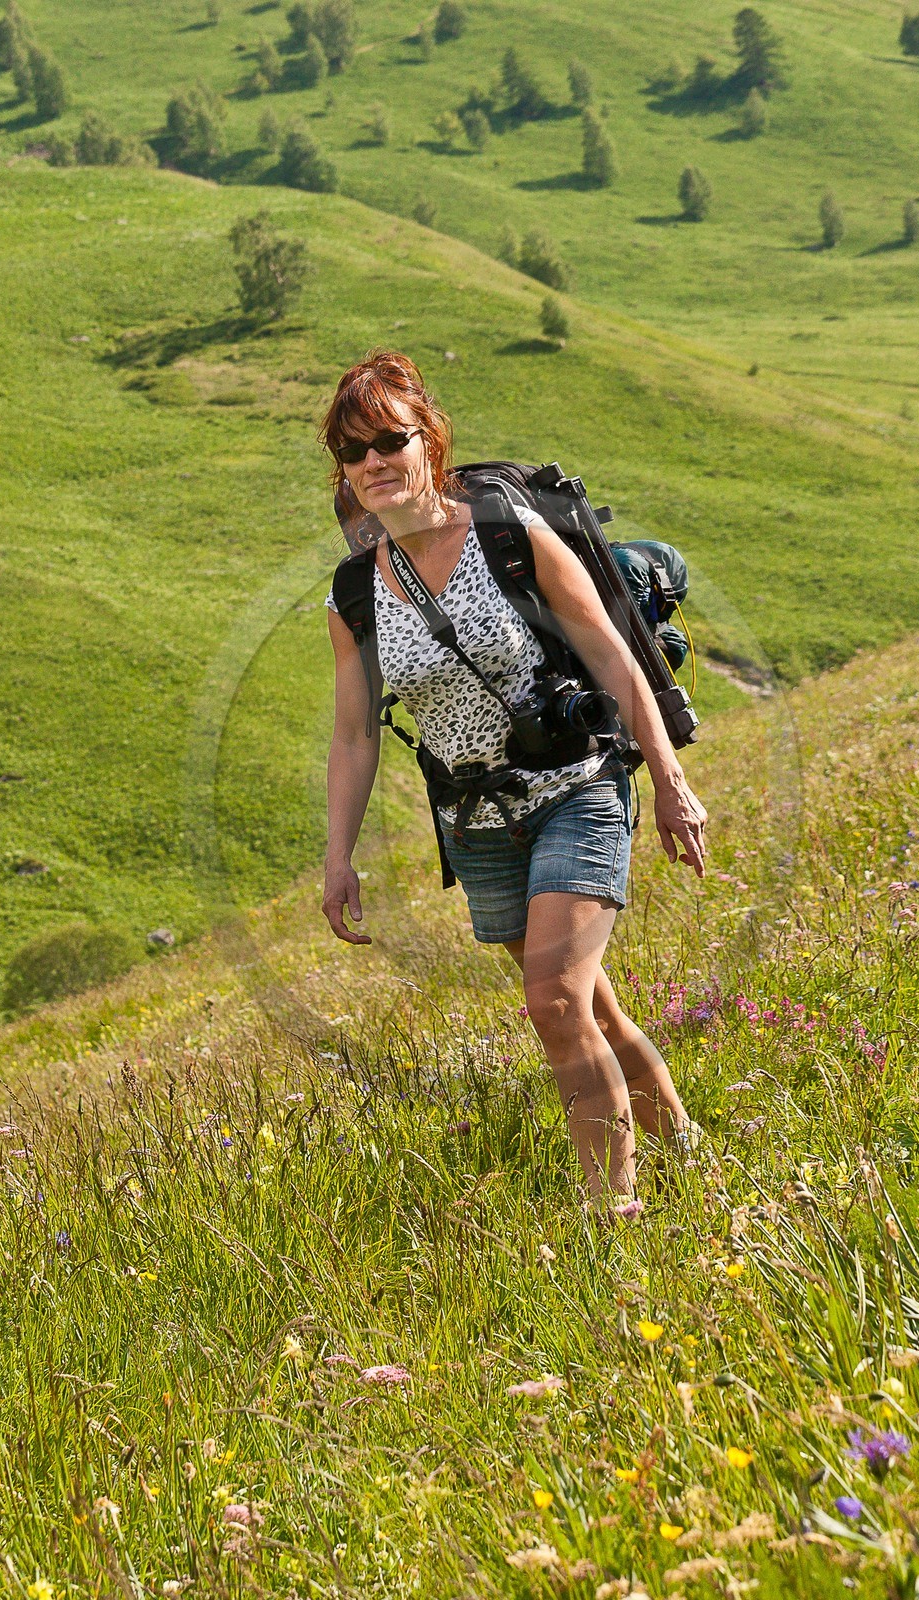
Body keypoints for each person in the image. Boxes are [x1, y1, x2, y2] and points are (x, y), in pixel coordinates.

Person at [320, 350, 708, 1212]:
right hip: (477, 821)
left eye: (391, 438)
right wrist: (338, 857)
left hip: (575, 788)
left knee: (554, 1000)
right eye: (354, 450)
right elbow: (353, 737)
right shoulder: (354, 593)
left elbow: (612, 654)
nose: (374, 461)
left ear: (430, 442)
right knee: (589, 1012)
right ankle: (688, 1151)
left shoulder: (508, 535)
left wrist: (672, 782)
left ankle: (614, 1215)